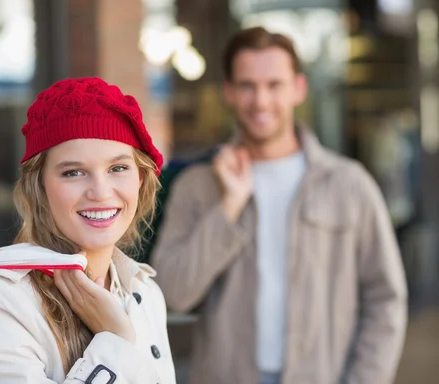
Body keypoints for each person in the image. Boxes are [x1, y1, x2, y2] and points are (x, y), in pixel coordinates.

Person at [150, 26, 408, 384]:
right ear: (228, 92)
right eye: (247, 85)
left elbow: (385, 299)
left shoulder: (350, 185)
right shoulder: (197, 187)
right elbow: (171, 295)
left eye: (274, 84)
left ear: (298, 89)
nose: (261, 101)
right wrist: (228, 208)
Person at [0, 77, 176, 383]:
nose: (100, 192)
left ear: (140, 178)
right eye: (74, 172)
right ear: (40, 187)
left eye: (118, 168)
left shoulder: (144, 292)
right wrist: (115, 340)